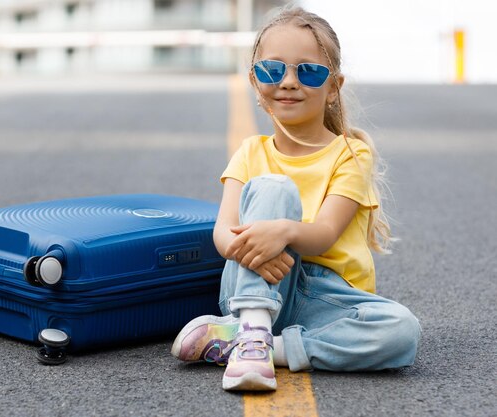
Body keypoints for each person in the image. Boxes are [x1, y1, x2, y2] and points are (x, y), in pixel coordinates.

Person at [170, 5, 421, 391]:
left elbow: (323, 234)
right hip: (257, 282)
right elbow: (222, 234)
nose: (289, 81)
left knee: (402, 331)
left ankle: (269, 348)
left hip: (326, 298)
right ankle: (253, 326)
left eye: (308, 71)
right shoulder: (251, 152)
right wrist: (254, 248)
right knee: (274, 187)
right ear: (256, 82)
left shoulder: (351, 154)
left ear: (333, 86)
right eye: (273, 70)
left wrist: (282, 232)